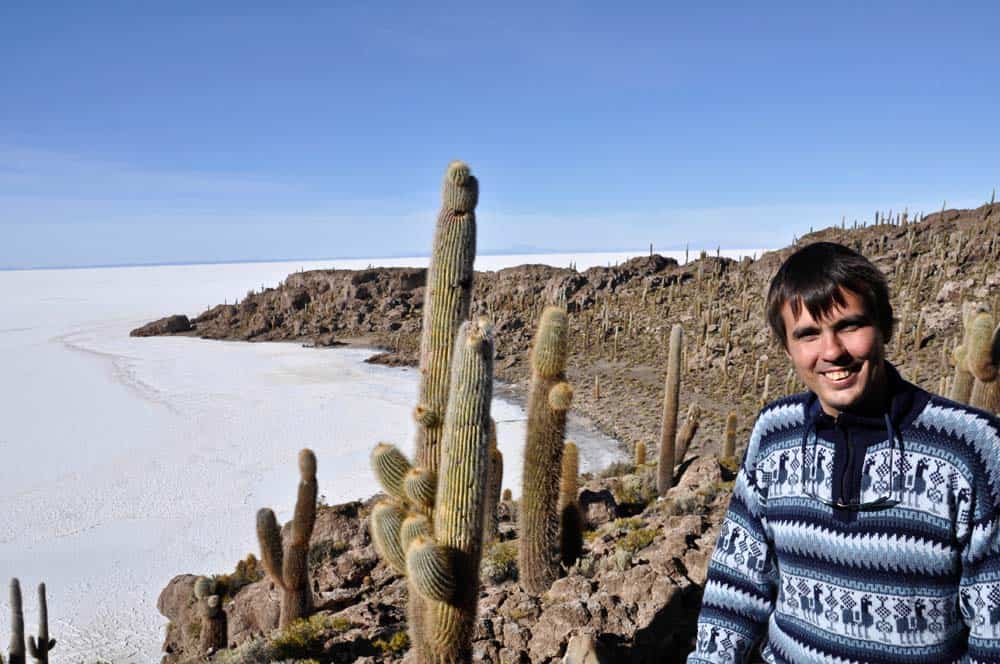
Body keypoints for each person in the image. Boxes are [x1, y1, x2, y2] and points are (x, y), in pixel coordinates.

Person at [687, 242, 1000, 663]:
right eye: (809, 334)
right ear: (788, 348)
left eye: (850, 326)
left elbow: (993, 633)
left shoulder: (973, 447)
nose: (832, 351)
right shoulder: (774, 433)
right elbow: (737, 585)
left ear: (884, 326)